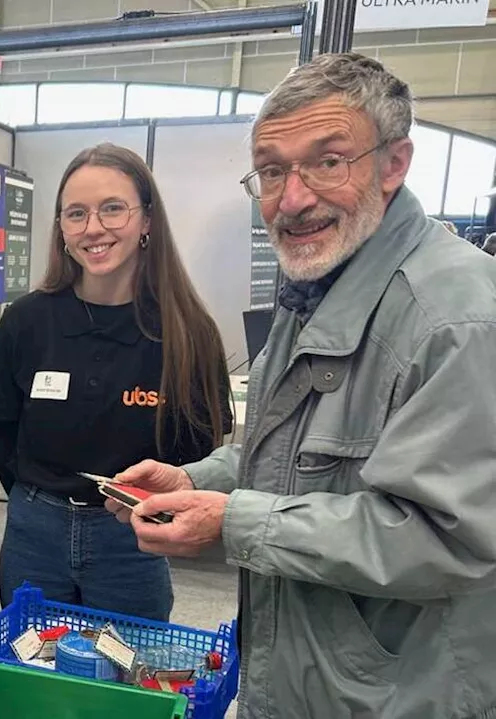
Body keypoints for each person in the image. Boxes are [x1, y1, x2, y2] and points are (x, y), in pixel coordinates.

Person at [107, 54, 496, 718]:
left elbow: (445, 535)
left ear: (394, 163)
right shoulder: (312, 290)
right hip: (297, 679)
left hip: (395, 697)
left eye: (328, 161)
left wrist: (233, 520)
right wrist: (202, 480)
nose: (292, 198)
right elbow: (290, 453)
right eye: (272, 169)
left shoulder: (454, 319)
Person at [0, 143, 229, 618]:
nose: (93, 228)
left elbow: (200, 448)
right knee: (29, 671)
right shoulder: (27, 321)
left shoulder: (187, 331)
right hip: (36, 530)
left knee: (129, 677)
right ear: (61, 229)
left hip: (131, 537)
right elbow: (2, 432)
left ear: (147, 220)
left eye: (113, 209)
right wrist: (39, 499)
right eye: (76, 214)